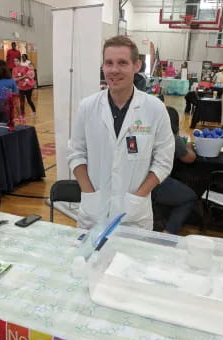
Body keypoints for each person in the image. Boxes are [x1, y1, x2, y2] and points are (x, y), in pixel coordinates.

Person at [67, 35, 175, 230]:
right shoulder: (87, 107)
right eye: (109, 63)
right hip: (94, 212)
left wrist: (139, 196)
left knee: (130, 260)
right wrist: (89, 192)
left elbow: (164, 161)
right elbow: (76, 153)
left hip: (134, 214)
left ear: (137, 66)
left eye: (122, 63)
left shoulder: (155, 109)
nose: (114, 70)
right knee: (90, 259)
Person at [152, 106, 197, 234]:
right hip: (156, 182)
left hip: (137, 180)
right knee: (189, 197)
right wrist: (188, 144)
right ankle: (167, 233)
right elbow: (189, 158)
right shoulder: (170, 135)